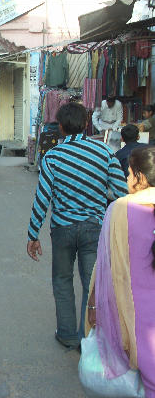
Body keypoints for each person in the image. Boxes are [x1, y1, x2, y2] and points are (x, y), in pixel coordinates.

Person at [26, 102, 128, 350]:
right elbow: (121, 192)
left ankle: (67, 333)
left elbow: (43, 198)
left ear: (60, 127)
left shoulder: (52, 157)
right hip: (94, 227)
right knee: (90, 282)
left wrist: (33, 234)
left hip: (62, 228)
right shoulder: (104, 153)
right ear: (85, 124)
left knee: (62, 280)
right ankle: (87, 336)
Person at [85, 146, 155, 397]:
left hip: (133, 315)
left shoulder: (119, 209)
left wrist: (93, 305)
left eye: (128, 174)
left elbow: (104, 266)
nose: (126, 179)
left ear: (141, 178)